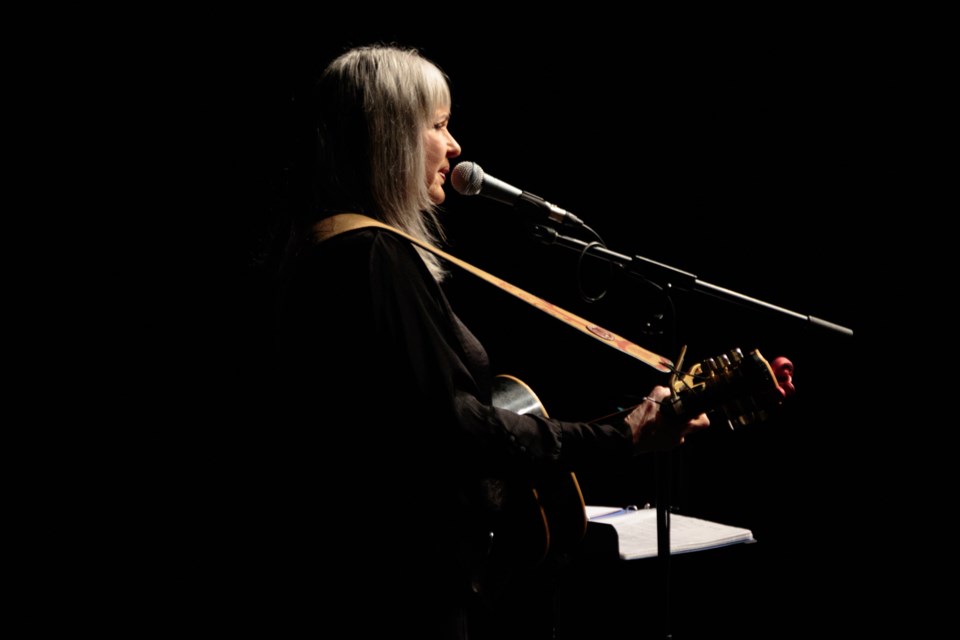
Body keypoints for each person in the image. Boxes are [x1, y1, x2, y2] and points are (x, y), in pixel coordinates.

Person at [257, 44, 709, 639]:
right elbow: (455, 427)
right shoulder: (372, 254)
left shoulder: (321, 247)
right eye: (439, 126)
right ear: (391, 136)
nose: (455, 146)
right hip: (399, 599)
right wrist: (619, 436)